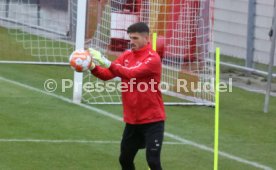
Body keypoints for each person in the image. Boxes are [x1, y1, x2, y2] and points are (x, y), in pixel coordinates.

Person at [89, 22, 166, 170]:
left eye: (135, 38)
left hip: (153, 120)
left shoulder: (152, 58)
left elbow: (131, 74)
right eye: (130, 38)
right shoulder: (126, 56)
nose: (132, 42)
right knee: (124, 159)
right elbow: (106, 75)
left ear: (146, 38)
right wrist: (92, 67)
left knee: (153, 162)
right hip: (133, 121)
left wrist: (105, 61)